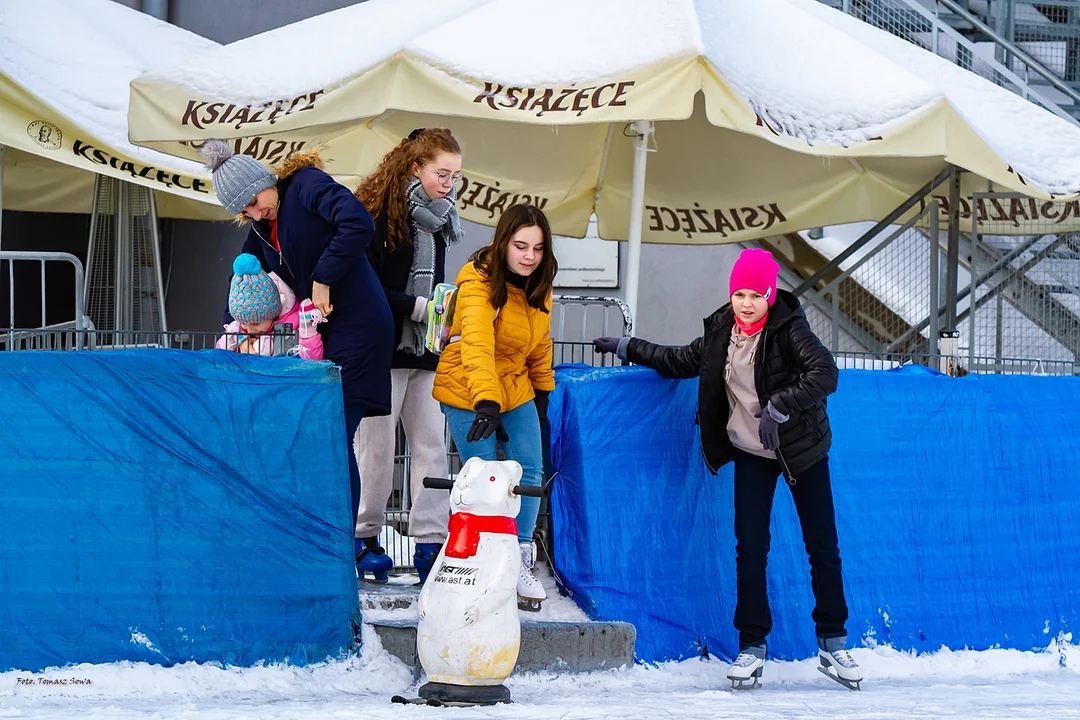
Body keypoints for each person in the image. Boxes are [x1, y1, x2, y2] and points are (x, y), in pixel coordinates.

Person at [592, 248, 862, 689]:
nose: (747, 303)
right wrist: (628, 347)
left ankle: (833, 640)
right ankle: (752, 644)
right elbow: (681, 360)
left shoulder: (790, 329)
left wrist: (778, 409)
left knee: (822, 546)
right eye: (739, 293)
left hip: (801, 449)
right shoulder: (722, 331)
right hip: (752, 452)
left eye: (757, 294)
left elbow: (824, 373)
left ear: (771, 295)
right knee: (751, 549)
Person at [199, 140, 394, 571]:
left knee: (334, 438)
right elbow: (239, 285)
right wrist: (234, 332)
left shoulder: (305, 186)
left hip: (359, 328)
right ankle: (329, 547)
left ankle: (341, 551)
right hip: (326, 335)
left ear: (265, 181)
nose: (254, 212)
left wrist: (324, 275)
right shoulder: (259, 232)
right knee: (325, 439)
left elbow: (357, 222)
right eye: (244, 211)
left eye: (254, 200)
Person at [432, 204, 556, 611]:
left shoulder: (540, 283)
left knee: (529, 469)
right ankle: (480, 561)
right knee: (483, 477)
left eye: (537, 249)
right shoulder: (478, 281)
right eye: (520, 246)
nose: (528, 257)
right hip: (469, 385)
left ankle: (519, 558)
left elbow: (540, 345)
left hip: (514, 385)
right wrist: (486, 401)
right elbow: (478, 345)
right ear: (503, 243)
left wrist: (542, 396)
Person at [352, 128, 462, 584]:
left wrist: (442, 314)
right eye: (442, 173)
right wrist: (416, 306)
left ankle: (430, 542)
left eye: (456, 175)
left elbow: (431, 283)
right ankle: (363, 538)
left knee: (432, 448)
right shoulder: (380, 214)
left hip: (425, 349)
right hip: (384, 347)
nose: (449, 183)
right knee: (376, 450)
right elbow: (368, 286)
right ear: (415, 166)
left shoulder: (438, 221)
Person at [216, 253, 325, 359]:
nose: (249, 330)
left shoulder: (292, 322)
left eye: (256, 323)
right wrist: (233, 340)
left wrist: (308, 334)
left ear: (273, 313)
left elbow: (312, 360)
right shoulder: (241, 329)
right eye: (243, 323)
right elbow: (218, 358)